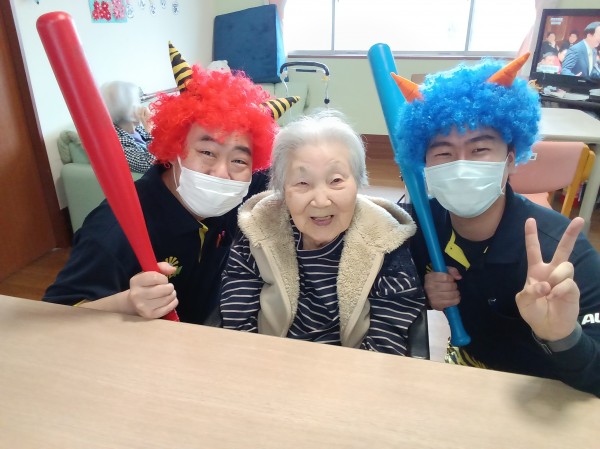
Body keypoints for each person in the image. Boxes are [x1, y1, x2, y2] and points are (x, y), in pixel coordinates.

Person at [390, 55, 600, 396]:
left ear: (511, 158)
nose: (461, 166)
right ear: (423, 162)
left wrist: (563, 336)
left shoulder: (562, 253)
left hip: (549, 393)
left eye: (480, 149)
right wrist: (423, 295)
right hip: (467, 376)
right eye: (443, 153)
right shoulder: (419, 227)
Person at [43, 46, 280, 325]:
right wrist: (126, 303)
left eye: (239, 160)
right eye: (207, 152)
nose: (221, 173)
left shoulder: (240, 189)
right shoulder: (115, 228)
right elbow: (54, 319)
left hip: (210, 323)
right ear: (175, 149)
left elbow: (290, 178)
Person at [220, 111, 426, 355]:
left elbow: (387, 344)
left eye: (336, 180)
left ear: (358, 182)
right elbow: (238, 322)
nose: (320, 201)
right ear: (282, 190)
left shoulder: (386, 242)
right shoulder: (258, 230)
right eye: (302, 183)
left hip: (353, 369)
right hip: (269, 361)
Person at [100, 80, 156, 173]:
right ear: (124, 109)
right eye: (137, 102)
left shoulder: (138, 129)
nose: (142, 107)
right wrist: (150, 130)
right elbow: (149, 165)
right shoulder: (117, 142)